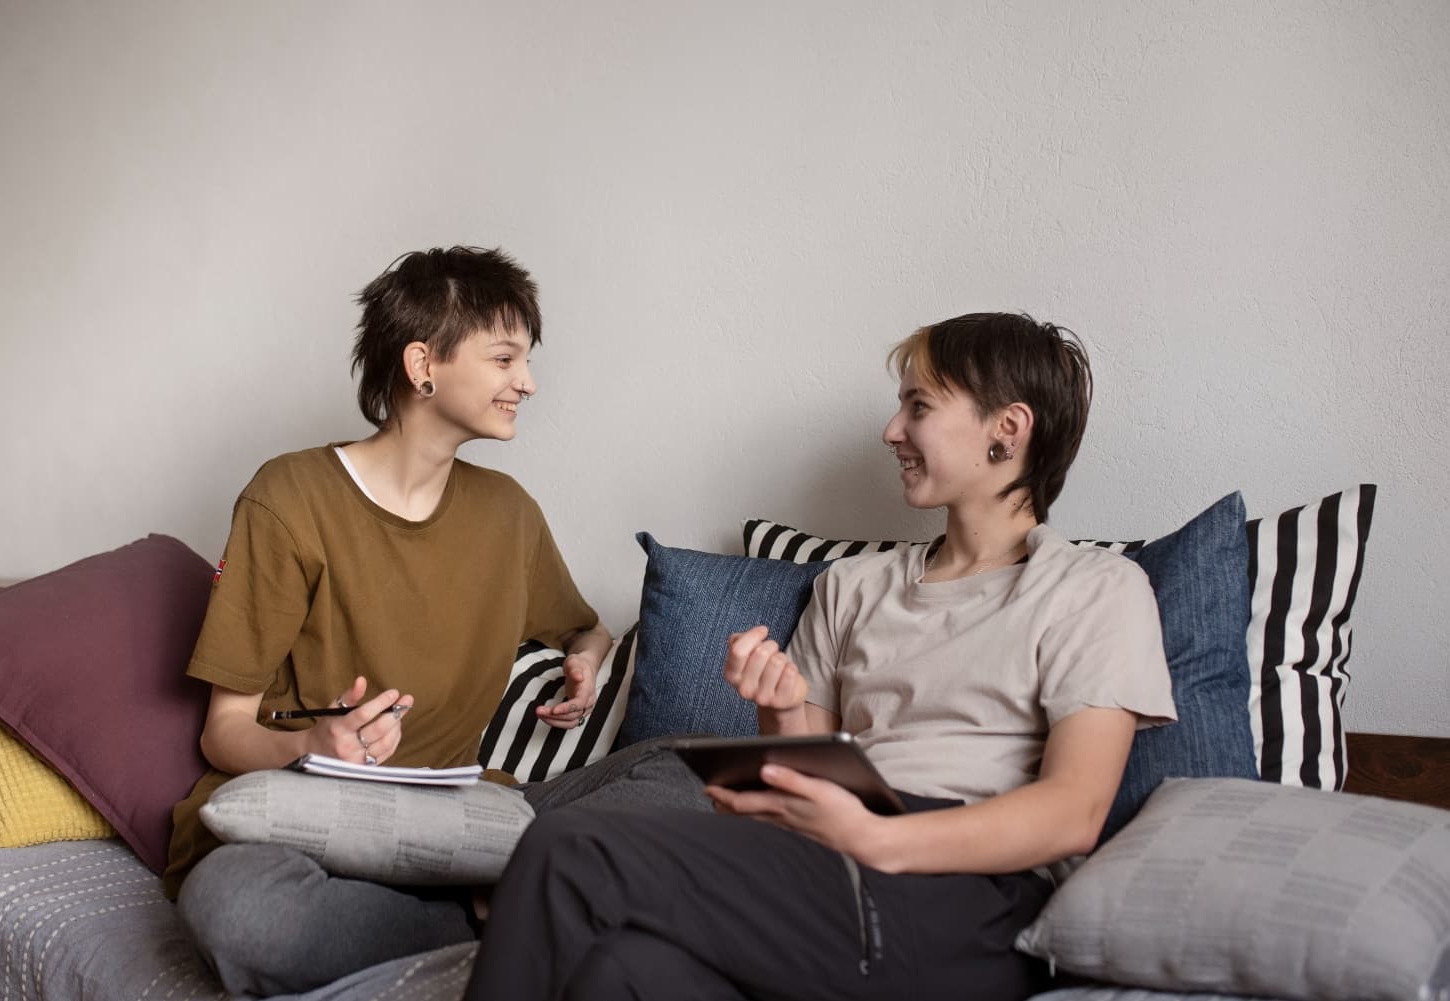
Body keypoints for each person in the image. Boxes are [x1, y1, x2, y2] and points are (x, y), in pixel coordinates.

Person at [464, 312, 1178, 1001]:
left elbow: (1074, 811)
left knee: (569, 848)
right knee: (618, 973)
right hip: (831, 861)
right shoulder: (855, 586)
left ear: (1008, 430)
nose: (891, 430)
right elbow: (802, 771)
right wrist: (777, 708)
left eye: (918, 406)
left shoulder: (1093, 588)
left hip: (971, 899)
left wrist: (880, 838)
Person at [165, 246, 613, 996]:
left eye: (526, 360)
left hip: (450, 820)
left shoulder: (509, 515)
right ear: (421, 364)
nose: (527, 383)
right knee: (241, 915)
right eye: (504, 358)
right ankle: (509, 923)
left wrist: (589, 660)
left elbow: (584, 627)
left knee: (675, 774)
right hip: (308, 821)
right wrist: (315, 742)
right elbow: (222, 728)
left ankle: (512, 906)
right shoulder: (288, 498)